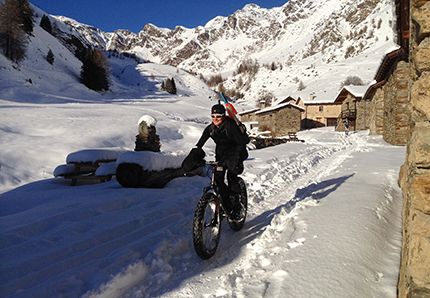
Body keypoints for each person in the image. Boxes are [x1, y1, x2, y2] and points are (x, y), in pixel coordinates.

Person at [195, 104, 249, 220]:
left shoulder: (231, 126)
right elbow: (200, 143)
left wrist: (235, 160)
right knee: (217, 179)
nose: (215, 118)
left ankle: (236, 206)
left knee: (231, 176)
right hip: (221, 155)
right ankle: (226, 202)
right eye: (213, 116)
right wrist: (195, 154)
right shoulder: (211, 129)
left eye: (218, 116)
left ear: (223, 116)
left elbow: (241, 144)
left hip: (236, 153)